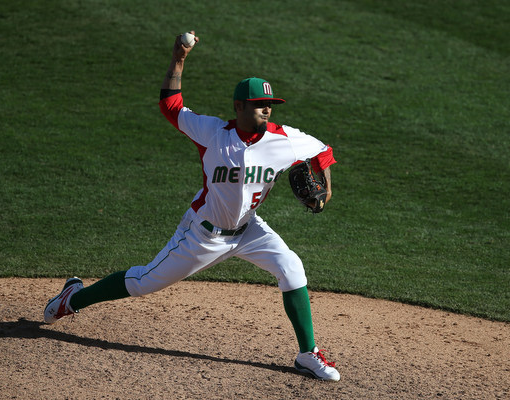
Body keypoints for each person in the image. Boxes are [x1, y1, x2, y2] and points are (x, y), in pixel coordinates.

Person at [43, 31, 339, 381]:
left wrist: (326, 190)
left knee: (291, 268)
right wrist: (179, 58)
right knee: (143, 282)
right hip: (204, 233)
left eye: (270, 103)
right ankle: (72, 298)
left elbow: (322, 151)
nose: (267, 108)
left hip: (250, 230)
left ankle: (308, 354)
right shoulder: (213, 133)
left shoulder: (284, 139)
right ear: (239, 106)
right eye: (259, 103)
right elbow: (171, 105)